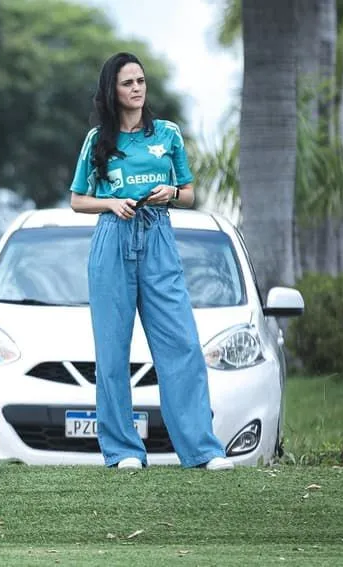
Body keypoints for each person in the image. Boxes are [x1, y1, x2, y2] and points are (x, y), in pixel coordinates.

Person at [69, 52, 233, 471]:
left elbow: (190, 194)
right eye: (128, 83)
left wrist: (171, 194)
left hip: (158, 235)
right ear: (112, 90)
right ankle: (123, 450)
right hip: (112, 239)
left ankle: (201, 450)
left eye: (140, 81)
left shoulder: (167, 133)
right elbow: (77, 200)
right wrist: (110, 203)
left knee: (182, 344)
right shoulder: (97, 140)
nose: (137, 89)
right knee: (112, 351)